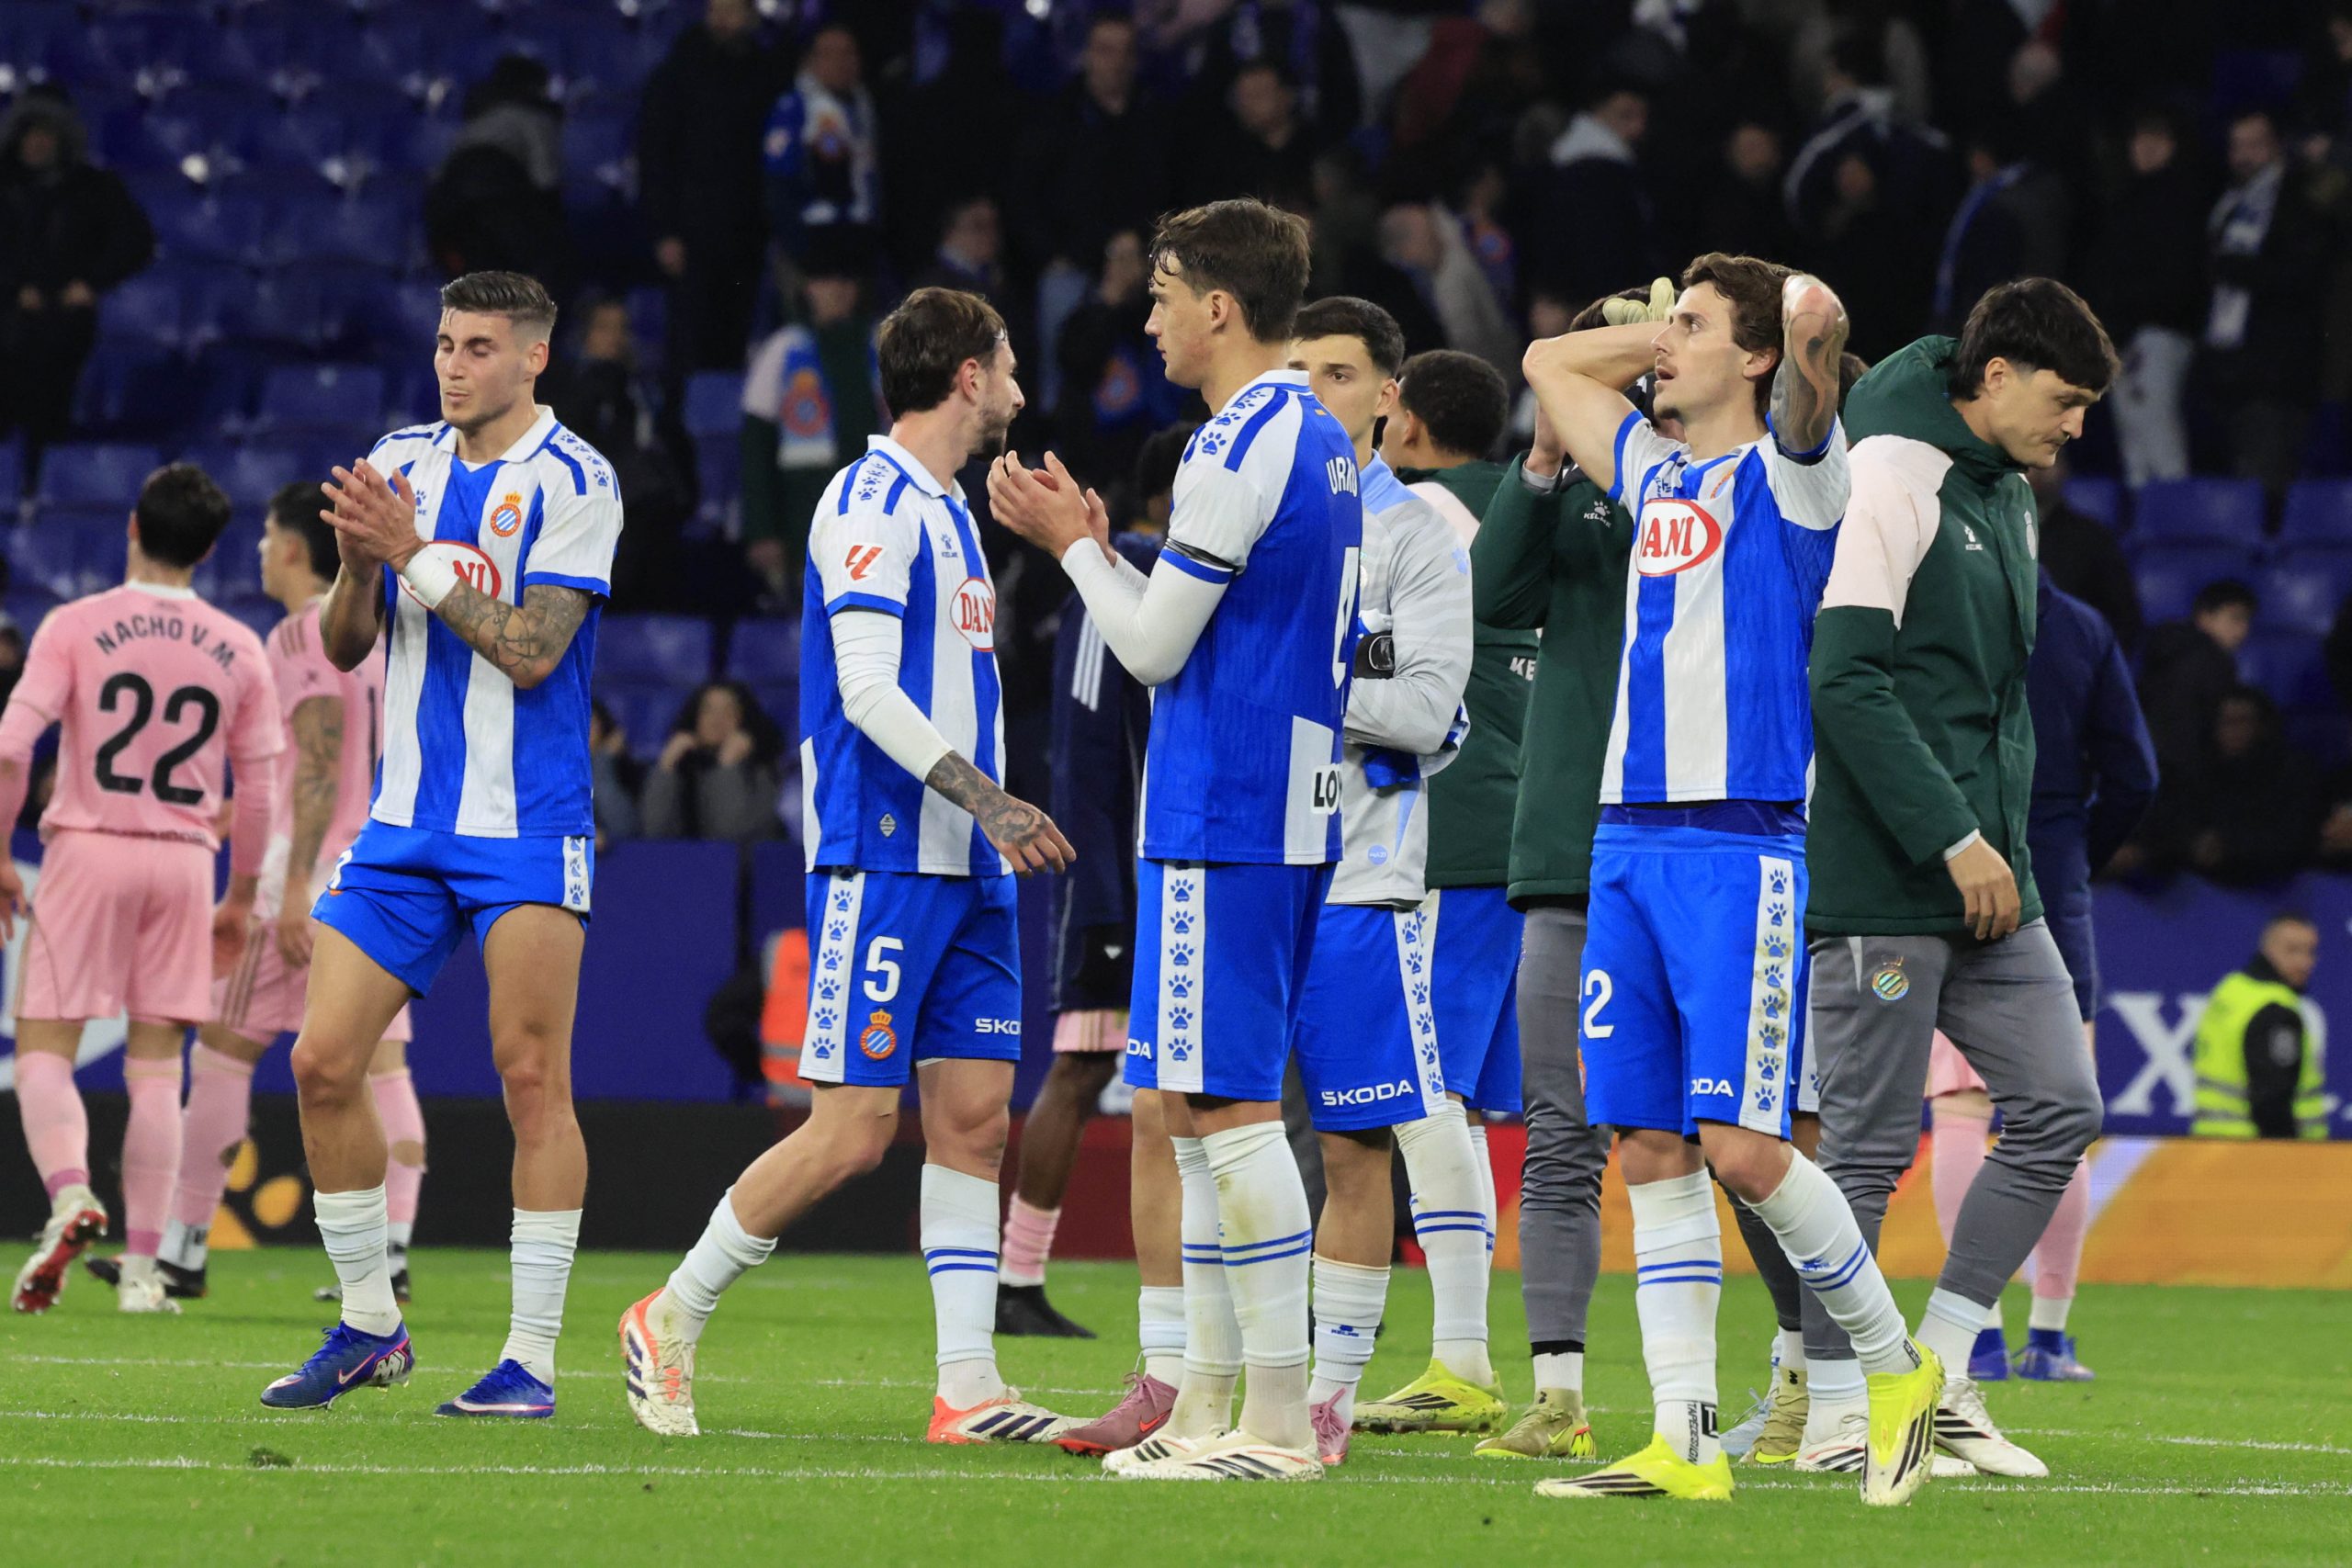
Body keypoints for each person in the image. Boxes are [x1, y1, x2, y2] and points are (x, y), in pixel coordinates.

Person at [619, 288, 1078, 1446]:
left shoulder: (954, 510)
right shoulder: (868, 499)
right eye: (1009, 365)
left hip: (966, 862)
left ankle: (967, 1389)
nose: (1022, 387)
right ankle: (667, 1314)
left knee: (974, 1120)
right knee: (854, 1128)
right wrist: (991, 800)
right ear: (967, 374)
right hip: (886, 854)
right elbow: (866, 691)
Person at [1521, 253, 1943, 1506]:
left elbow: (1811, 393)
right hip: (1624, 843)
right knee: (1647, 1142)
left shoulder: (1797, 478)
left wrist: (1801, 337)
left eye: (1697, 328)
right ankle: (1686, 1439)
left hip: (1739, 844)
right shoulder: (1653, 475)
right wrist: (1666, 325)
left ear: (1751, 358)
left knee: (1744, 1147)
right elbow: (1547, 367)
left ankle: (1891, 1361)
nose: (1663, 345)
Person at [989, 197, 1362, 1482]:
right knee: (1197, 1112)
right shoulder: (1317, 435)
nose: (1145, 317)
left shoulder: (1235, 441)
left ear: (1218, 305)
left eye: (1160, 293)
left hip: (1226, 807)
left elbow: (1151, 648)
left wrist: (1075, 548)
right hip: (1277, 804)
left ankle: (1270, 1421)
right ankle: (1210, 1401)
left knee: (1229, 1111)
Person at [259, 271, 621, 1419]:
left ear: (533, 360)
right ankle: (371, 1325)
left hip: (526, 822)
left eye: (477, 348)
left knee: (530, 1078)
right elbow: (347, 645)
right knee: (320, 1064)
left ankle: (529, 1361)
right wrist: (360, 564)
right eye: (444, 345)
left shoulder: (578, 481)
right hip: (405, 823)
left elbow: (530, 652)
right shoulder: (400, 458)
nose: (452, 366)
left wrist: (407, 549)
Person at [1800, 280, 2120, 1483]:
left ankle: (1935, 1372)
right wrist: (1951, 835)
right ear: (1993, 378)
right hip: (1891, 876)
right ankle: (1839, 1405)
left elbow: (1994, 711)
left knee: (2061, 1107)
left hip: (1996, 879)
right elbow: (1848, 680)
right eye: (2065, 398)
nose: (2077, 424)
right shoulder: (1896, 474)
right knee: (1869, 1151)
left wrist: (2002, 852)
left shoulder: (2007, 500)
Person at [85, 485, 434, 1306]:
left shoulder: (304, 631)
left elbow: (316, 764)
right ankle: (393, 1247)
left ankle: (184, 1246)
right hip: (384, 868)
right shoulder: (383, 639)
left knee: (221, 1050)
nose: (259, 548)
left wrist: (290, 892)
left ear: (290, 548)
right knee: (382, 1064)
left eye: (270, 533)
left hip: (307, 878)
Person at [5, 465, 280, 1315]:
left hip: (89, 846)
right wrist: (237, 901)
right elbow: (262, 790)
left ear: (131, 527)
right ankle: (141, 1272)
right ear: (207, 549)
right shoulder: (239, 645)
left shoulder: (75, 623)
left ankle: (68, 1195)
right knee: (159, 1067)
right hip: (183, 858)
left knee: (46, 1046)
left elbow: (14, 747)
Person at [1278, 299, 1474, 1466]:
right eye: (1294, 372)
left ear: (1386, 402)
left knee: (1354, 1150)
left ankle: (1327, 1403)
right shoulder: (1252, 523)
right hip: (1249, 871)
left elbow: (1428, 711)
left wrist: (1295, 682)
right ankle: (1212, 1381)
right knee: (1209, 1131)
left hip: (1360, 880)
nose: (1312, 394)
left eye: (1337, 373)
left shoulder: (1418, 538)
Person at [1460, 303, 1642, 1463]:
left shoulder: (1745, 474)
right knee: (1560, 1132)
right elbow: (1488, 601)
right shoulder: (1566, 488)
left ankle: (1804, 1380)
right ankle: (1559, 1397)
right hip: (1571, 848)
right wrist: (1537, 461)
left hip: (1708, 841)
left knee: (1748, 1134)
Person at [1350, 346, 1532, 1441]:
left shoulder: (1414, 513)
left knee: (1422, 1097)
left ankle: (1462, 1360)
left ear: (1405, 422)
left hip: (1445, 831)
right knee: (1456, 1104)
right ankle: (1475, 1356)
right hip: (1528, 832)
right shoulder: (1533, 500)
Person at [1924, 571, 2157, 1386]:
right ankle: (2050, 1337)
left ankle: (1978, 1333)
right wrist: (2075, 856)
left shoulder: (1945, 604)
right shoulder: (2084, 629)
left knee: (1959, 1109)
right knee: (2059, 1112)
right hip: (2053, 884)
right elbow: (2136, 774)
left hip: (1956, 870)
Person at [993, 434, 1175, 1352]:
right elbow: (1087, 751)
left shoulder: (1154, 590)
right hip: (1112, 878)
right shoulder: (1112, 592)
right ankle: (1016, 1279)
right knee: (1081, 1064)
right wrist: (1100, 890)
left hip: (1149, 870)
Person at [637, 0, 789, 374]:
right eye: (719, 9)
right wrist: (665, 232)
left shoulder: (764, 73)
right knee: (688, 344)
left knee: (733, 340)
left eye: (735, 10)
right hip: (691, 235)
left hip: (746, 233)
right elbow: (655, 158)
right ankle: (678, 429)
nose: (726, 20)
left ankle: (724, 427)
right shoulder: (676, 74)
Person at [0, 89, 153, 459]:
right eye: (29, 132)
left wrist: (91, 282)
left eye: (46, 133)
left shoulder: (93, 187)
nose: (36, 143)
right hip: (6, 319)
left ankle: (44, 484)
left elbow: (136, 241)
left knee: (51, 412)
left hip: (66, 323)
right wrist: (13, 288)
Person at [740, 238, 884, 603]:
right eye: (825, 281)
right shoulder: (784, 350)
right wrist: (762, 529)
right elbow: (756, 447)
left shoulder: (882, 349)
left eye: (845, 282)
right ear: (808, 287)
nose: (836, 291)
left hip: (875, 520)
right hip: (801, 521)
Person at [2191, 914, 2329, 1140]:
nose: (2304, 962)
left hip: (2211, 1148)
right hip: (2255, 1156)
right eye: (2292, 950)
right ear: (2268, 949)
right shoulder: (2275, 1011)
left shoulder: (2232, 989)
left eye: (2310, 952)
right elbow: (2271, 1102)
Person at [763, 24, 881, 269]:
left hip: (860, 234)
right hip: (815, 235)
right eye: (829, 54)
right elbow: (778, 180)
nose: (841, 62)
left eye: (848, 53)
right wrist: (798, 246)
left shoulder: (865, 105)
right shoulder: (794, 108)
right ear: (812, 60)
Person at [641, 681, 784, 843]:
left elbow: (732, 836)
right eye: (708, 710)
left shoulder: (761, 771)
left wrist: (727, 765)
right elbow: (654, 832)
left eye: (728, 711)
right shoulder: (680, 767)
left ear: (744, 719)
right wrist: (666, 765)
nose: (717, 720)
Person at [2139, 581, 2255, 780]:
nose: (2242, 630)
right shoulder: (2212, 660)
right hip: (2189, 777)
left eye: (2246, 621)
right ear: (2205, 617)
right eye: (2235, 619)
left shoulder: (2164, 650)